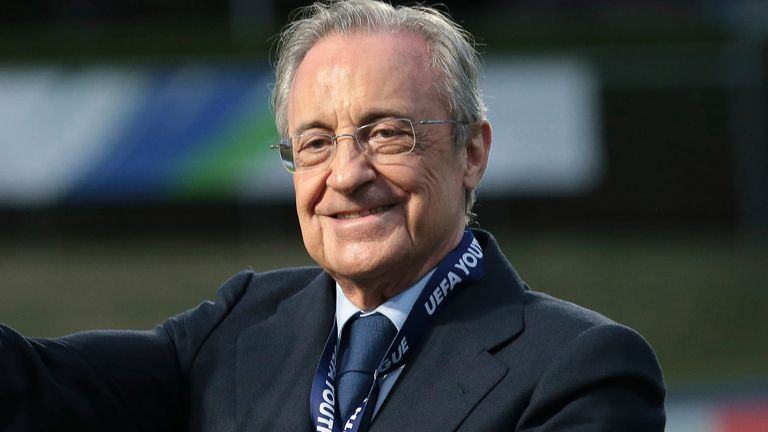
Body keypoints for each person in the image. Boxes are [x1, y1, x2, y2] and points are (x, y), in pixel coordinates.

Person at [0, 0, 665, 431]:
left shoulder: (580, 369)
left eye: (387, 134)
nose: (346, 175)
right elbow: (32, 390)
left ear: (471, 152)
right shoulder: (241, 330)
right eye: (316, 143)